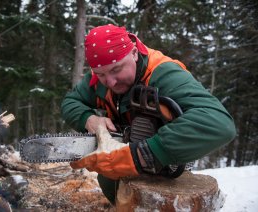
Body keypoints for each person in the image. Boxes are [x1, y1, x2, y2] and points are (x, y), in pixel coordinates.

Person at [61, 24, 236, 204]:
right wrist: (89, 119)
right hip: (121, 167)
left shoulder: (164, 73)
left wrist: (143, 154)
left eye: (116, 70)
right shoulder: (100, 78)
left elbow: (220, 124)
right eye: (101, 74)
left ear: (134, 53)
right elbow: (70, 102)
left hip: (166, 167)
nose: (110, 82)